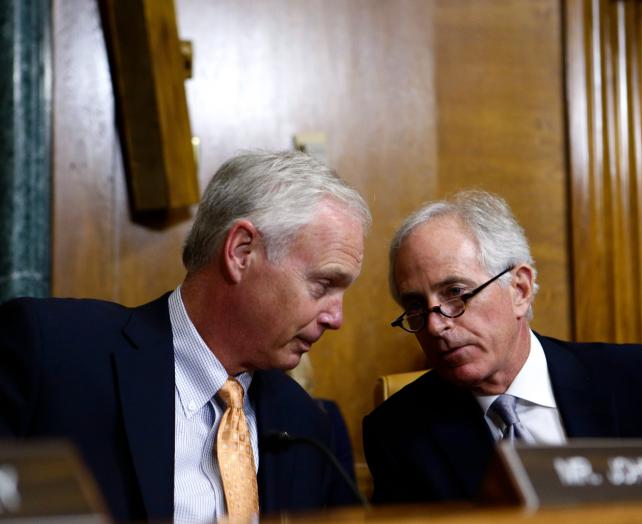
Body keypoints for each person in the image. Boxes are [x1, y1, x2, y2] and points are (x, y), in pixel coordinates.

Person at [0, 150, 371, 523]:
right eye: (323, 285)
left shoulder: (308, 423)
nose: (336, 318)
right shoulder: (51, 351)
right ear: (242, 252)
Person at [363, 190, 642, 505]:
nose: (436, 325)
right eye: (416, 307)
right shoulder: (398, 433)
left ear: (520, 289)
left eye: (455, 293)